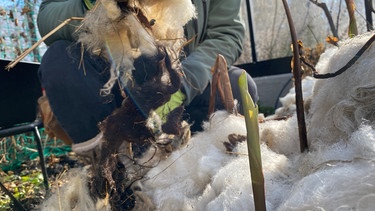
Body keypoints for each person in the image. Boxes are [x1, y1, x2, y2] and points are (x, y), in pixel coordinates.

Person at [37, 0, 258, 154]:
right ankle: (113, 166)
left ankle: (190, 155)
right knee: (59, 60)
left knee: (240, 86)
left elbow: (226, 34)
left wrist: (182, 84)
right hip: (112, 91)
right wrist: (98, 4)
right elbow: (48, 19)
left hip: (180, 91)